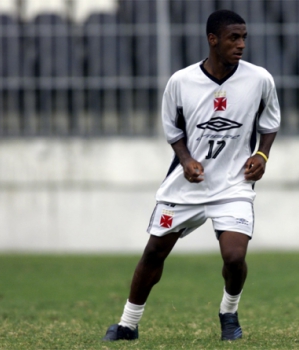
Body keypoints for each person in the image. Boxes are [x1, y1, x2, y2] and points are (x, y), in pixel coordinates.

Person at [102, 9, 280, 342]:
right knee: (154, 253)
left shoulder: (259, 79)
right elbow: (172, 129)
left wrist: (262, 154)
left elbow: (270, 124)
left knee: (234, 256)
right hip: (185, 188)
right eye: (233, 38)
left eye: (244, 37)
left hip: (232, 185)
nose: (241, 44)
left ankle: (229, 314)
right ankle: (128, 324)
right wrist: (185, 160)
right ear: (213, 40)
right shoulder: (181, 82)